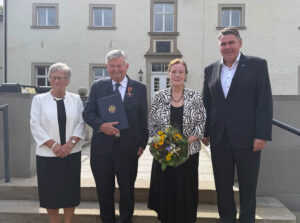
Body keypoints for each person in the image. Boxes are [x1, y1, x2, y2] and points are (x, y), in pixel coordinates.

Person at [202, 27, 273, 223]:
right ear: (219, 46)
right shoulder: (210, 70)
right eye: (223, 44)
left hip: (249, 139)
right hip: (220, 139)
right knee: (223, 188)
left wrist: (262, 134)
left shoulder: (257, 65)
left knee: (248, 188)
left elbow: (264, 101)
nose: (227, 47)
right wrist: (206, 132)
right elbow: (207, 103)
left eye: (231, 42)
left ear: (240, 43)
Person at [82, 49, 149, 223]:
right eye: (112, 66)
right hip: (101, 151)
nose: (116, 69)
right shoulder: (98, 86)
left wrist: (143, 144)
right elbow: (88, 113)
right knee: (104, 191)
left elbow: (143, 119)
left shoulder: (140, 89)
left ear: (127, 66)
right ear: (107, 67)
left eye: (119, 65)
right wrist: (101, 126)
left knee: (127, 191)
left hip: (128, 150)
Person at [147, 58, 206, 223]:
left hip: (188, 153)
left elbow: (202, 124)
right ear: (169, 74)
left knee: (186, 191)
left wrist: (186, 141)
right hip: (164, 153)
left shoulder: (196, 97)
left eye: (181, 72)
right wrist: (165, 142)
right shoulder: (159, 97)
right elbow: (151, 125)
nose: (177, 75)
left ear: (186, 75)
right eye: (174, 72)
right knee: (166, 192)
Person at [30, 62, 85, 223]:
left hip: (71, 153)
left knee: (70, 192)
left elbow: (81, 122)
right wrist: (54, 145)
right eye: (54, 77)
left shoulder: (75, 99)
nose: (58, 81)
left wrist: (70, 143)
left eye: (62, 78)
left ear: (68, 80)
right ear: (49, 79)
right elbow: (35, 124)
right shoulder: (39, 100)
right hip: (47, 155)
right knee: (50, 194)